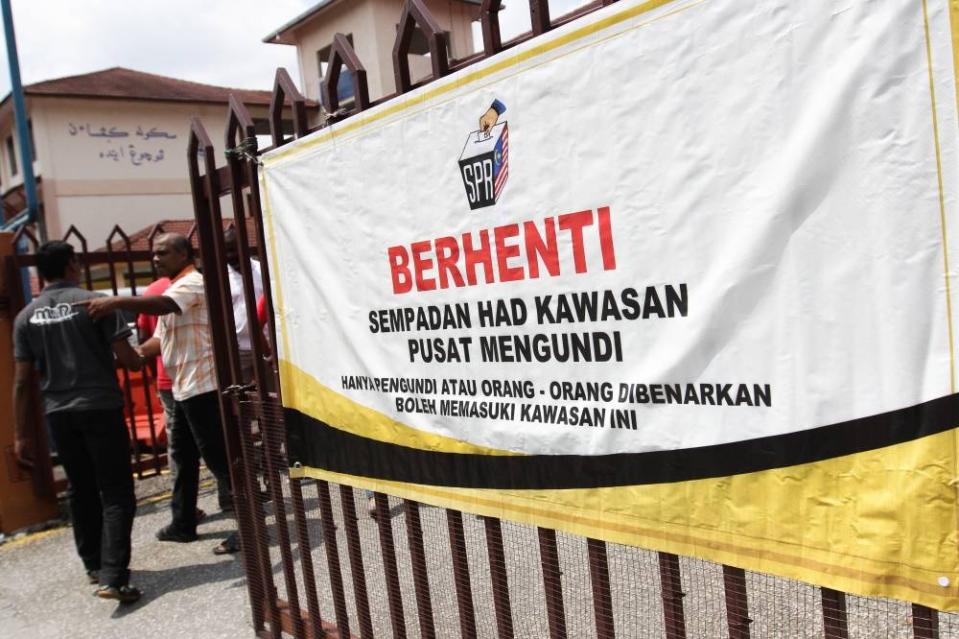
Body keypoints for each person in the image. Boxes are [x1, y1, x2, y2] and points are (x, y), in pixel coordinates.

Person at [81, 233, 232, 548]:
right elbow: (160, 340)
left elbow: (163, 304)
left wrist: (116, 301)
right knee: (184, 458)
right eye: (154, 253)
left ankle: (250, 525)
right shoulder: (176, 288)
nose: (156, 258)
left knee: (220, 461)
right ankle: (183, 522)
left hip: (203, 385)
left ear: (183, 255)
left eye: (163, 252)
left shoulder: (191, 283)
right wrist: (129, 357)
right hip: (185, 388)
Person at [13, 241, 143, 603]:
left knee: (81, 489)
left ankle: (95, 565)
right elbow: (128, 360)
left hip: (59, 413)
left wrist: (20, 434)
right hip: (99, 406)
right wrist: (142, 356)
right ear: (72, 264)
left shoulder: (27, 316)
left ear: (40, 273)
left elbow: (23, 380)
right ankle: (114, 577)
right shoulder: (96, 303)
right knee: (116, 491)